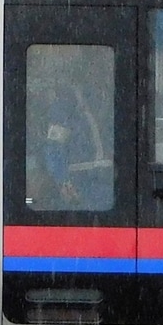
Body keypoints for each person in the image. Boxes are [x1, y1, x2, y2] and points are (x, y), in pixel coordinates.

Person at [27, 46, 113, 210]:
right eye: (97, 65)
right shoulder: (67, 102)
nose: (101, 70)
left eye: (104, 64)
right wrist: (63, 180)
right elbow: (54, 146)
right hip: (80, 184)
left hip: (110, 182)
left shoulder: (111, 96)